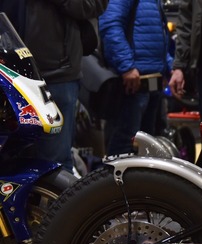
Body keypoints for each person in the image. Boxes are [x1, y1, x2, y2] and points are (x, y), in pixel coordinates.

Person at [12, 0, 108, 173]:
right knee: (11, 164)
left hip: (56, 76)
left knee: (55, 166)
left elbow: (97, 4)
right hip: (11, 73)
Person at [99, 0, 173, 156]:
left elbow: (161, 34)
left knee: (148, 146)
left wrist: (167, 68)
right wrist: (126, 66)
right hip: (133, 82)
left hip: (152, 81)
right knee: (124, 144)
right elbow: (110, 25)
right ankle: (112, 180)